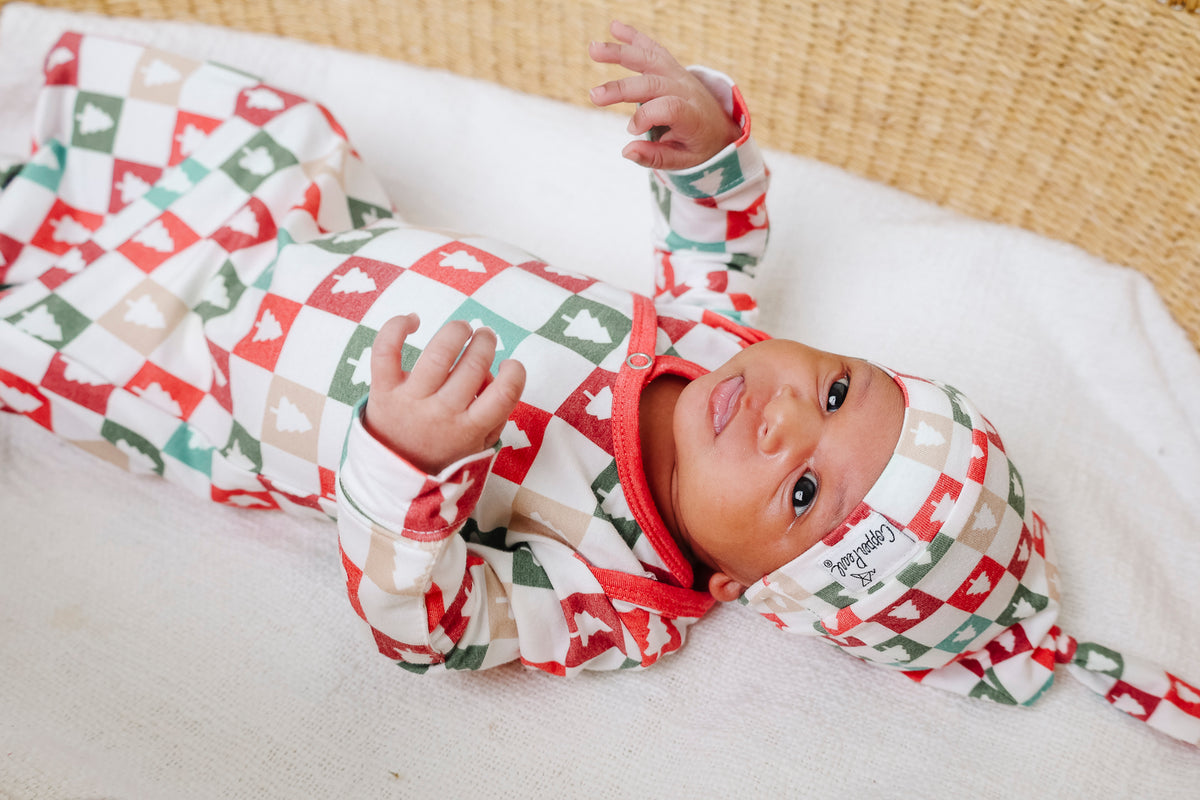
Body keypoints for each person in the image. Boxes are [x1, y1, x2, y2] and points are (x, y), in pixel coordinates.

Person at [0, 23, 1195, 745]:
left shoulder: (618, 594)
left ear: (744, 583)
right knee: (274, 129)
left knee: (74, 338)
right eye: (835, 394)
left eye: (802, 497)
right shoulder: (701, 341)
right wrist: (705, 142)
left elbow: (436, 625)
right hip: (306, 232)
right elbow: (719, 238)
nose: (781, 424)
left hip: (208, 378)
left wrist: (407, 465)